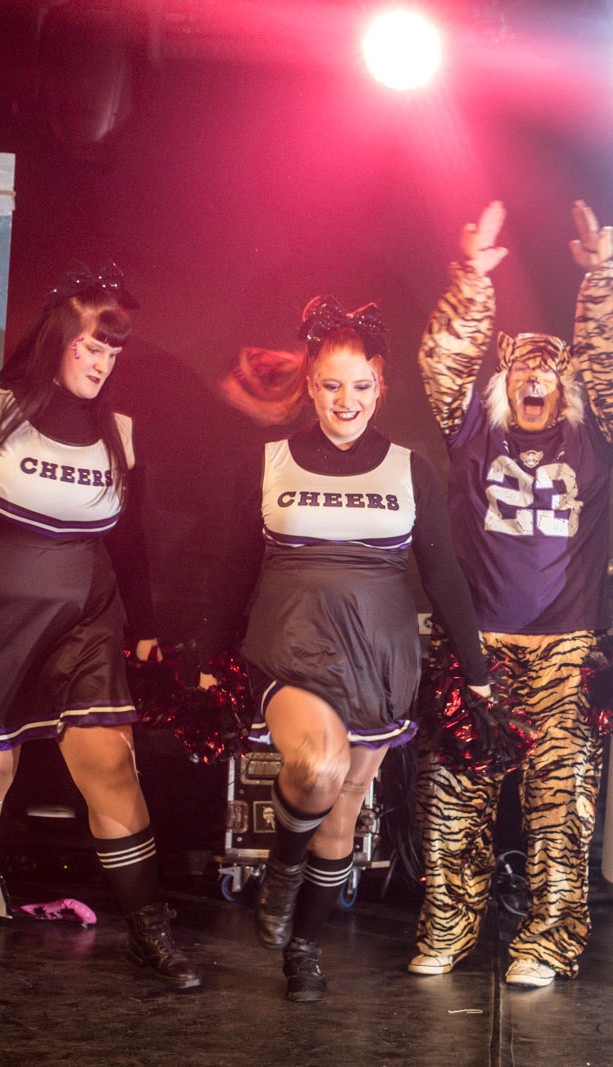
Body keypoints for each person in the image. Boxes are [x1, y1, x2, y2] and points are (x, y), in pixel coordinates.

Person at [0, 265, 199, 993]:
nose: (102, 362)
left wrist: (145, 627)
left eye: (113, 352)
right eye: (91, 346)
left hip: (84, 621)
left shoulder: (119, 432)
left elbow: (129, 544)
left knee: (111, 767)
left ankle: (150, 933)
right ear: (57, 338)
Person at [408, 200, 613, 988]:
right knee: (453, 795)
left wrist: (602, 277)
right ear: (504, 380)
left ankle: (547, 941)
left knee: (561, 804)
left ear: (566, 383)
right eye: (522, 368)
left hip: (564, 651)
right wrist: (472, 282)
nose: (535, 377)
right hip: (476, 649)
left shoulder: (594, 434)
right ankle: (448, 927)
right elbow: (443, 365)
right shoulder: (471, 431)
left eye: (548, 369)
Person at [236, 296, 492, 1003]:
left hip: (380, 659)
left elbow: (443, 575)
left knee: (345, 803)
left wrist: (475, 669)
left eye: (360, 385)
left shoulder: (412, 468)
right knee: (318, 767)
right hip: (292, 645)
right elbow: (231, 564)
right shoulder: (271, 460)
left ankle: (305, 947)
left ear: (380, 385)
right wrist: (206, 657)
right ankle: (282, 868)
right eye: (330, 384)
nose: (345, 401)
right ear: (310, 385)